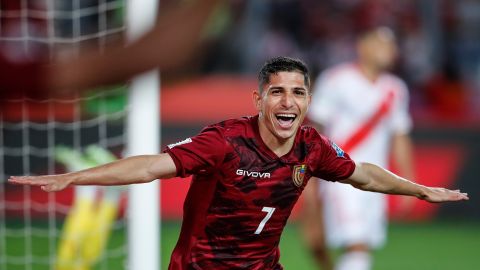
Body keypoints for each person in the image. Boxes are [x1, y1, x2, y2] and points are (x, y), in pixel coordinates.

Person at [9, 56, 468, 270]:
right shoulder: (226, 141)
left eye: (298, 92)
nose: (288, 102)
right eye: (277, 91)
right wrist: (73, 177)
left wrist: (419, 189)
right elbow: (150, 167)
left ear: (308, 101)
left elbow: (364, 174)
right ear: (260, 99)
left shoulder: (313, 147)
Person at [303, 27, 415, 270]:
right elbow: (314, 131)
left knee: (356, 247)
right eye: (379, 44)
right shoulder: (336, 80)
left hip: (377, 179)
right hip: (341, 175)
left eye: (390, 45)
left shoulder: (396, 88)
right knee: (356, 245)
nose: (387, 50)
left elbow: (400, 136)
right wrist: (308, 177)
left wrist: (409, 182)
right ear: (362, 47)